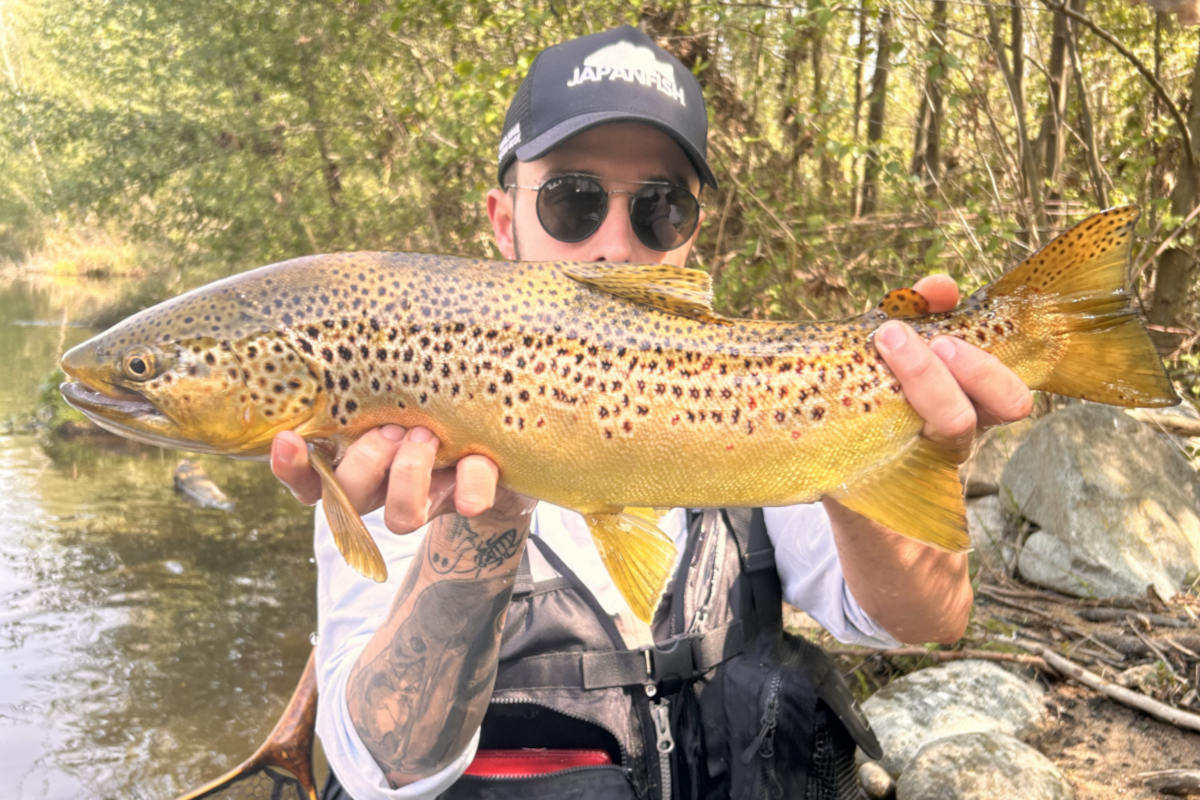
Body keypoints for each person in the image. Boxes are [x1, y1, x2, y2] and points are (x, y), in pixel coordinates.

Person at [269, 25, 1032, 800]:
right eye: (573, 200)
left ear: (692, 234)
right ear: (503, 221)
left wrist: (885, 436)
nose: (613, 245)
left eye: (659, 208)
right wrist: (482, 521)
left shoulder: (755, 388)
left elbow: (925, 617)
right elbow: (383, 769)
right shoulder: (391, 433)